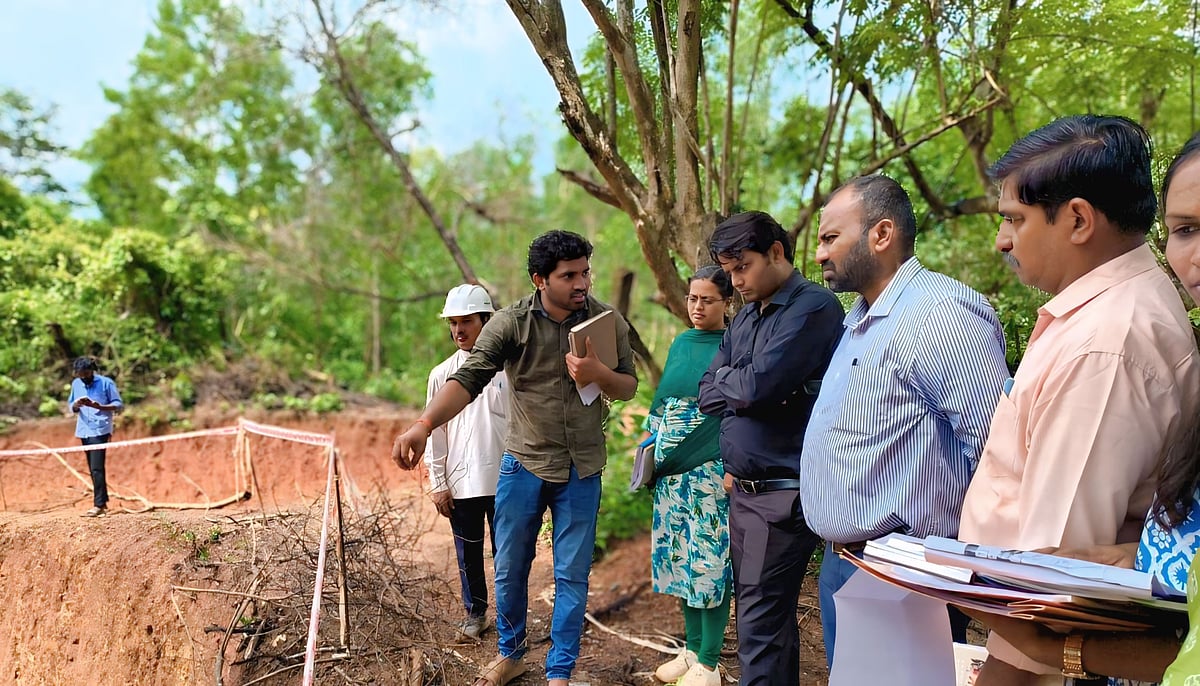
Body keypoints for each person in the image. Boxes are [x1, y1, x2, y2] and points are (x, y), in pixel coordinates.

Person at [957, 114, 1200, 684]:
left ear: (1078, 220)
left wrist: (1009, 671)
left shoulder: (1107, 343)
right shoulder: (1100, 318)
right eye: (1185, 229)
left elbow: (1059, 579)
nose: (1002, 241)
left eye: (1014, 219)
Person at [391, 230, 638, 686]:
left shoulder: (607, 321)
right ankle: (511, 653)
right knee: (510, 568)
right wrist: (423, 426)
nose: (582, 282)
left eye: (585, 271)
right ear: (539, 279)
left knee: (571, 573)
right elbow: (467, 379)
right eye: (569, 275)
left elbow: (627, 386)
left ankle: (560, 671)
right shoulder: (511, 324)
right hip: (523, 463)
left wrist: (599, 373)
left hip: (582, 469)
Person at [799, 174, 1009, 667]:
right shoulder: (858, 320)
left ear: (881, 234)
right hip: (846, 564)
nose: (820, 254)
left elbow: (996, 449)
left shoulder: (939, 314)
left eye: (831, 238)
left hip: (902, 573)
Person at [697, 211, 843, 686]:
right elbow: (708, 393)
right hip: (745, 492)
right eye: (730, 271)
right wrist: (738, 381)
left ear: (776, 252)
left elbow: (754, 388)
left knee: (758, 627)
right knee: (768, 625)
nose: (736, 281)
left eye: (743, 267)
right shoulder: (749, 317)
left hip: (783, 494)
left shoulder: (812, 307)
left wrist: (741, 383)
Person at [645, 265, 734, 686]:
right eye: (693, 298)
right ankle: (692, 649)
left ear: (727, 302)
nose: (698, 307)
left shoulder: (733, 344)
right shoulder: (681, 342)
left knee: (709, 560)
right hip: (670, 474)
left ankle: (710, 662)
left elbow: (735, 410)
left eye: (708, 300)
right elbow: (662, 405)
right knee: (682, 557)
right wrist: (648, 444)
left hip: (709, 468)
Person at [423, 284, 509, 639]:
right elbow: (434, 430)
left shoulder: (510, 371)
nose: (459, 331)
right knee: (468, 553)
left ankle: (510, 616)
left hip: (508, 477)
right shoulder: (442, 374)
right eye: (453, 323)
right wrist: (438, 483)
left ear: (486, 321)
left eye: (467, 322)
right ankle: (476, 613)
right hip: (461, 481)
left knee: (508, 555)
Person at [67, 356, 123, 517]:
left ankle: (99, 505)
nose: (83, 378)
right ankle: (102, 499)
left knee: (97, 467)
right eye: (80, 375)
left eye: (86, 374)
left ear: (92, 371)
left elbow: (118, 404)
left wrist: (100, 406)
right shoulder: (76, 384)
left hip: (100, 429)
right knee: (93, 468)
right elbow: (71, 405)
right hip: (84, 430)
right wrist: (76, 406)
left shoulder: (106, 383)